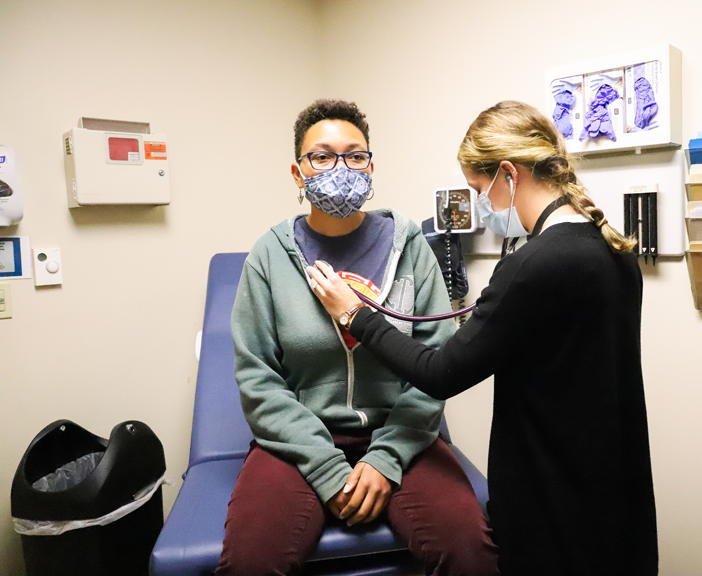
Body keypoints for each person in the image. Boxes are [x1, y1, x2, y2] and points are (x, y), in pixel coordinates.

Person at [307, 100, 659, 576]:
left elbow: (440, 372)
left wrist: (355, 315)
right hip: (614, 490)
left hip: (552, 497)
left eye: (479, 189)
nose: (480, 205)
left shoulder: (534, 267)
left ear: (509, 175)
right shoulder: (611, 247)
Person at [217, 99, 499, 576]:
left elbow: (434, 361)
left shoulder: (409, 248)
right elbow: (258, 379)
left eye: (355, 155)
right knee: (249, 562)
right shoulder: (269, 257)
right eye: (322, 156)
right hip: (298, 442)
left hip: (404, 435)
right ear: (297, 171)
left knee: (470, 554)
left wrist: (386, 458)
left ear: (371, 166)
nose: (340, 167)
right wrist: (327, 469)